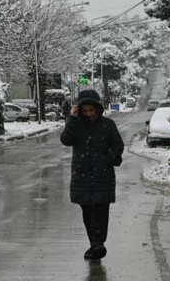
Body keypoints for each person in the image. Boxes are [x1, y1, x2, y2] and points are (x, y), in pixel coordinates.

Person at [60, 89, 124, 261]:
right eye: (85, 111)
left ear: (97, 109)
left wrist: (113, 154)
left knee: (101, 211)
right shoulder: (76, 124)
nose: (88, 114)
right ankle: (95, 244)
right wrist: (72, 119)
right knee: (87, 212)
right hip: (82, 176)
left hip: (102, 176)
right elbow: (66, 140)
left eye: (91, 110)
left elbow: (118, 145)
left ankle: (99, 243)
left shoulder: (107, 125)